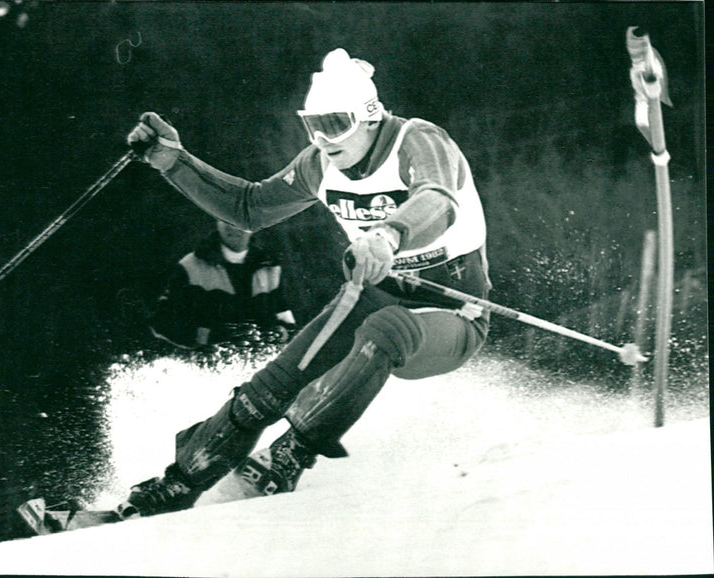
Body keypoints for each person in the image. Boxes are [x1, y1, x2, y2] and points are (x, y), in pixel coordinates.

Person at [119, 48, 492, 517]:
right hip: (370, 297)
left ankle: (291, 455)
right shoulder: (320, 163)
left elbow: (438, 200)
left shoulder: (418, 141)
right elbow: (249, 208)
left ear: (370, 116)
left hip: (455, 312)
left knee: (387, 331)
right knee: (270, 389)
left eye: (335, 124)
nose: (323, 138)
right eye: (312, 125)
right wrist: (174, 163)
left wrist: (389, 234)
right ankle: (179, 484)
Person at [149, 219, 296, 350]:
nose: (233, 226)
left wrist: (278, 333)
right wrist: (211, 336)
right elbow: (161, 322)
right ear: (217, 220)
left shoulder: (270, 266)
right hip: (205, 370)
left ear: (254, 225)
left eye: (240, 220)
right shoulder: (190, 266)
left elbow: (286, 319)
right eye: (226, 218)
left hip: (259, 368)